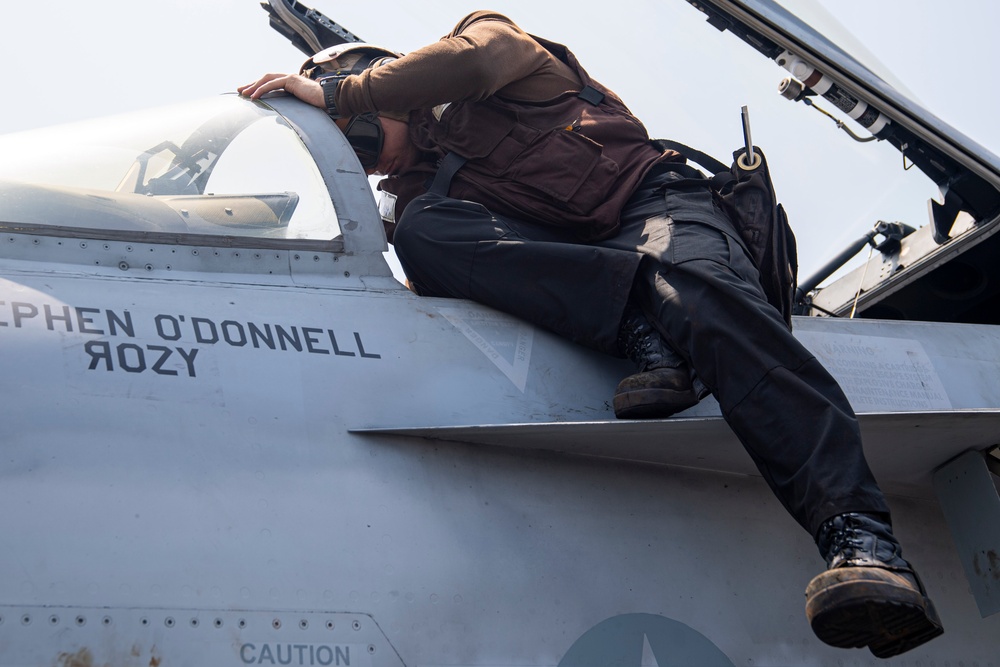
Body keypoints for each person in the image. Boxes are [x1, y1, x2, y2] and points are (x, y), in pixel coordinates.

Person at [239, 11, 943, 657]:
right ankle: (645, 323)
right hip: (611, 278)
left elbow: (481, 61)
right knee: (428, 233)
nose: (369, 162)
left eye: (358, 133)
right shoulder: (428, 199)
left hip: (660, 205)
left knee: (703, 303)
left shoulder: (496, 55)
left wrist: (336, 95)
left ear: (379, 89)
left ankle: (863, 539)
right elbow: (458, 280)